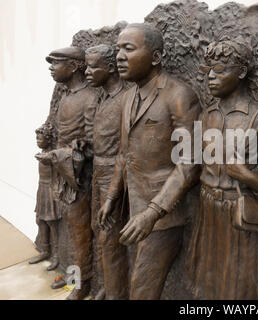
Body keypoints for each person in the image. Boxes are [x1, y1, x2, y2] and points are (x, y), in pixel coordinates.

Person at [98, 23, 201, 299]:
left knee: (142, 289)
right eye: (118, 49)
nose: (119, 56)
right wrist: (112, 197)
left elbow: (189, 165)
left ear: (155, 57)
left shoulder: (179, 96)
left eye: (128, 49)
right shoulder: (128, 95)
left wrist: (153, 213)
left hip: (163, 215)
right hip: (134, 207)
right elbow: (125, 152)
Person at [185, 39, 258, 299]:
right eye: (209, 71)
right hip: (208, 216)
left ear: (240, 73)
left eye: (220, 71)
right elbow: (188, 168)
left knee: (239, 290)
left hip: (241, 221)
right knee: (206, 289)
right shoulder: (207, 116)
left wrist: (247, 176)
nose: (211, 78)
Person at [38, 46, 98, 300]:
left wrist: (60, 156)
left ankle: (82, 283)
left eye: (56, 63)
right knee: (70, 231)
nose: (52, 68)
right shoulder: (66, 96)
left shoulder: (89, 98)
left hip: (80, 178)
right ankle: (71, 271)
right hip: (65, 174)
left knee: (80, 233)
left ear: (74, 66)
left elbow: (94, 144)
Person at [85, 44, 129, 300]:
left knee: (111, 238)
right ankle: (107, 287)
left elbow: (125, 149)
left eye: (93, 66)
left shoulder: (126, 98)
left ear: (110, 68)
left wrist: (114, 188)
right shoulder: (102, 97)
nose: (87, 71)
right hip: (97, 173)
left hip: (115, 177)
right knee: (99, 232)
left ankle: (116, 294)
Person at [29, 123, 61, 271]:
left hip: (50, 190)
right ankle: (45, 250)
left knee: (52, 224)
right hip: (41, 188)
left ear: (48, 139)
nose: (37, 141)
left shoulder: (53, 155)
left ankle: (56, 256)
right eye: (36, 138)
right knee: (40, 220)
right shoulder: (42, 152)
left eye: (40, 138)